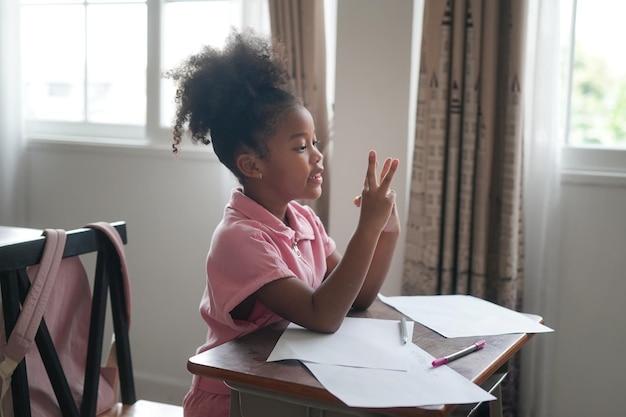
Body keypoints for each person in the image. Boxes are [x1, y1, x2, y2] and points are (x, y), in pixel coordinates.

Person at [167, 28, 400, 417]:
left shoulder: (303, 220)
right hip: (233, 401)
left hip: (284, 393)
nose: (318, 157)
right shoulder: (238, 239)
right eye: (301, 146)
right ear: (252, 165)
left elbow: (355, 299)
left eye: (316, 143)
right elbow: (321, 315)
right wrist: (366, 228)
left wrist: (386, 230)